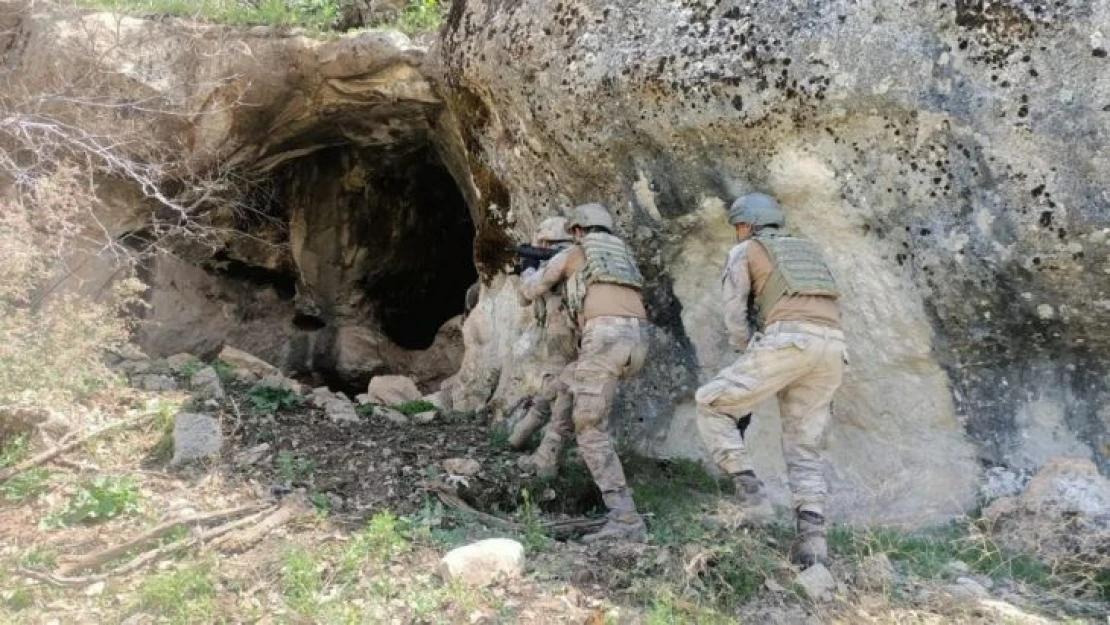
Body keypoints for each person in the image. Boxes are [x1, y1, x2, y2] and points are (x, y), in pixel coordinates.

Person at [695, 192, 846, 568]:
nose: (737, 233)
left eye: (737, 226)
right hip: (833, 347)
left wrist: (748, 350)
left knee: (712, 404)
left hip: (788, 341)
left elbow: (734, 315)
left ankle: (752, 500)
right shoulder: (807, 252)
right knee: (804, 446)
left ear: (747, 224)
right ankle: (813, 543)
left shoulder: (746, 250)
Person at [518, 203, 650, 543]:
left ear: (577, 231)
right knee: (569, 382)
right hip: (637, 339)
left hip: (604, 337)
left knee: (589, 427)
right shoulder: (621, 255)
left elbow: (531, 290)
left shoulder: (576, 254)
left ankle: (625, 517)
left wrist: (528, 269)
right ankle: (544, 456)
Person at [509, 217, 577, 479]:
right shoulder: (564, 259)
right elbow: (524, 300)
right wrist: (529, 265)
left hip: (564, 332)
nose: (541, 246)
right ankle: (520, 436)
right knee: (554, 385)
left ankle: (548, 456)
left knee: (561, 388)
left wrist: (529, 271)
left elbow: (529, 291)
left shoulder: (564, 259)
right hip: (562, 330)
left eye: (544, 243)